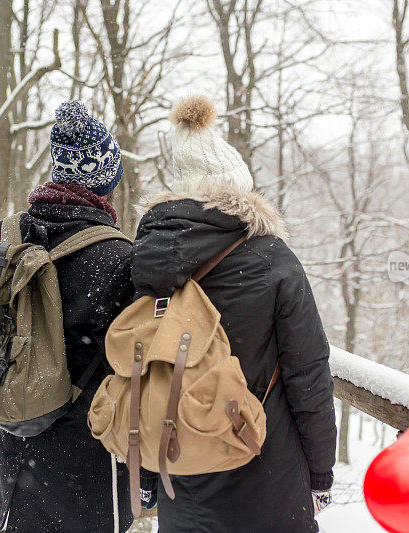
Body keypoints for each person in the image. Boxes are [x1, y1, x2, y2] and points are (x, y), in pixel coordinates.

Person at [131, 96, 337, 532]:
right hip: (267, 469)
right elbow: (308, 373)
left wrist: (148, 469)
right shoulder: (273, 260)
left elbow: (145, 374)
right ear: (238, 190)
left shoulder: (149, 263)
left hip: (179, 470)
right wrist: (320, 471)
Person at [0, 100, 134, 532]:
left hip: (21, 436)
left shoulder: (0, 240)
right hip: (93, 452)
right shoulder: (118, 258)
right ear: (104, 181)